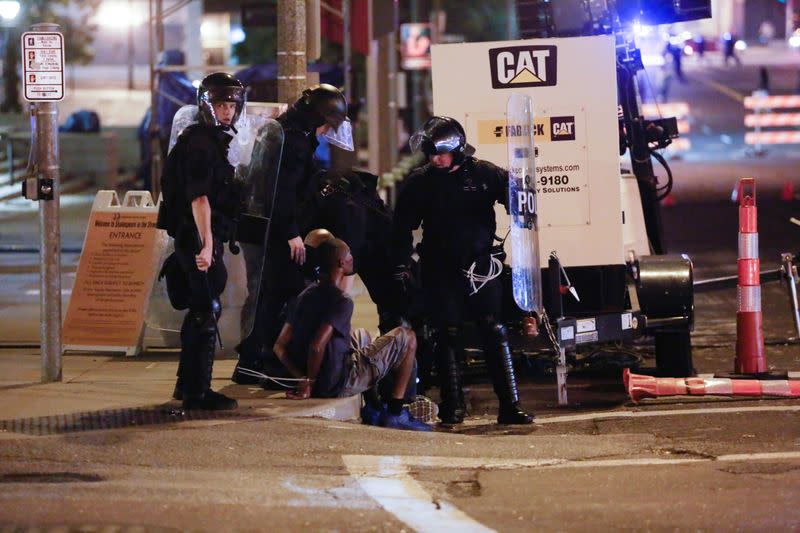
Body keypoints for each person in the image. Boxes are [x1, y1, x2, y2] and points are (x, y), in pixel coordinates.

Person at [392, 116, 534, 426]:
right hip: (440, 269)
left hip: (482, 267)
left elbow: (520, 194)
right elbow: (401, 227)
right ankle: (452, 406)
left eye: (440, 153)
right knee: (447, 334)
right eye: (430, 154)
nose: (435, 159)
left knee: (494, 331)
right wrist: (402, 265)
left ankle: (510, 406)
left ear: (457, 150)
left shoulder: (484, 173)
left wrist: (522, 206)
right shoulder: (420, 182)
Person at [232, 84, 351, 384]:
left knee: (264, 294)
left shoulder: (283, 131)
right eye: (327, 124)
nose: (327, 131)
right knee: (272, 296)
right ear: (316, 118)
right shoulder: (294, 141)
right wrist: (292, 233)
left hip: (259, 226)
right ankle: (261, 363)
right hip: (274, 230)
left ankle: (252, 364)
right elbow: (282, 188)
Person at [273, 238, 432, 431]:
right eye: (348, 254)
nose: (352, 257)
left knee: (361, 335)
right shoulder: (341, 301)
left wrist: (301, 377)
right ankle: (396, 412)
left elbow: (279, 346)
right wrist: (311, 383)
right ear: (341, 263)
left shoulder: (305, 295)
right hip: (336, 382)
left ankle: (373, 406)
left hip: (321, 376)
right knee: (407, 337)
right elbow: (317, 346)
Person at [157, 72, 246, 410]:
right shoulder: (200, 145)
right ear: (208, 106)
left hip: (196, 236)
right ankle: (198, 392)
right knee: (205, 309)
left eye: (232, 105)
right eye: (222, 104)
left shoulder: (205, 140)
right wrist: (206, 244)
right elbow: (199, 199)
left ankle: (187, 385)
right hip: (197, 237)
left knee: (201, 308)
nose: (227, 111)